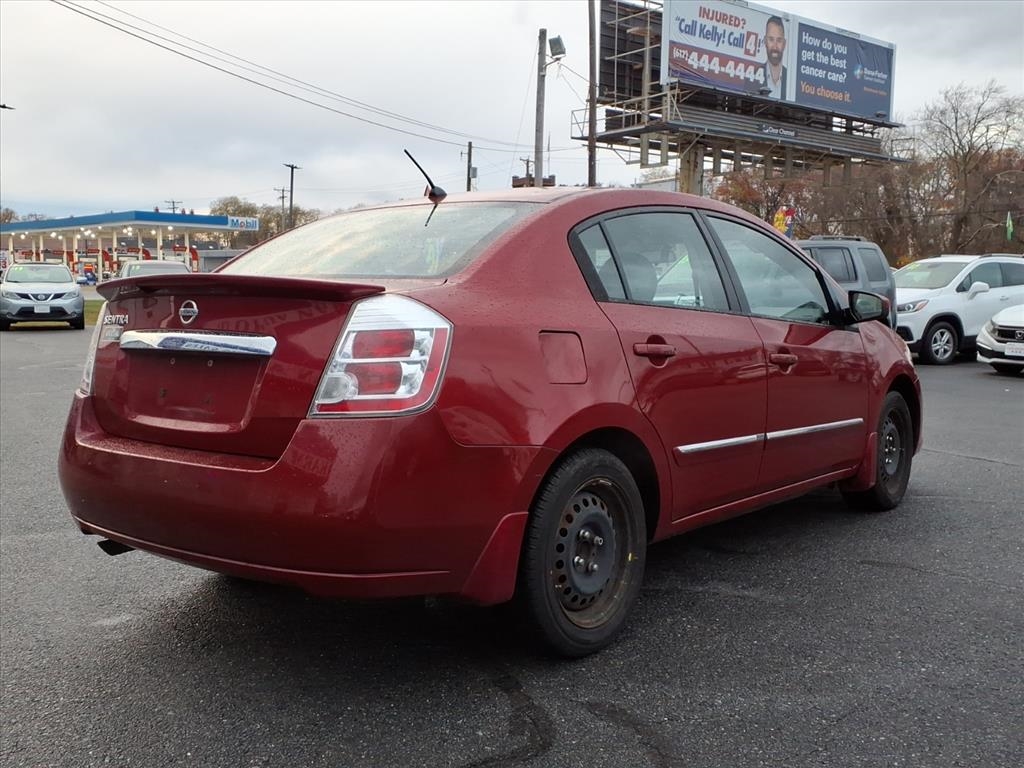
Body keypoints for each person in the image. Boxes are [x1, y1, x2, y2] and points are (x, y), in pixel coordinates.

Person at [761, 16, 787, 99]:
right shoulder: (751, 76)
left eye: (779, 40)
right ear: (765, 41)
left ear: (784, 44)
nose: (775, 47)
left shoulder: (791, 81)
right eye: (771, 39)